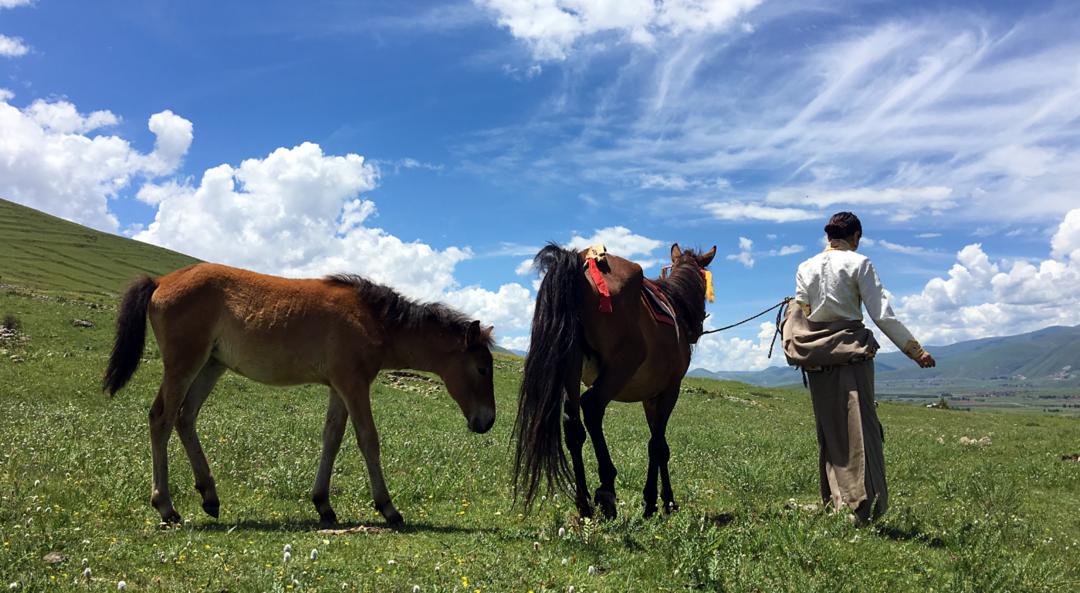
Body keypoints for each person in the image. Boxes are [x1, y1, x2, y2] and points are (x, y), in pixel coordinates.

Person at [782, 211, 935, 524]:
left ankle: (835, 502)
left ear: (829, 237)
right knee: (860, 432)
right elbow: (882, 314)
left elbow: (804, 312)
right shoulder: (859, 263)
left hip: (818, 359)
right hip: (852, 354)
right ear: (855, 237)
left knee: (830, 432)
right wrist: (915, 351)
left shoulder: (805, 267)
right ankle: (862, 508)